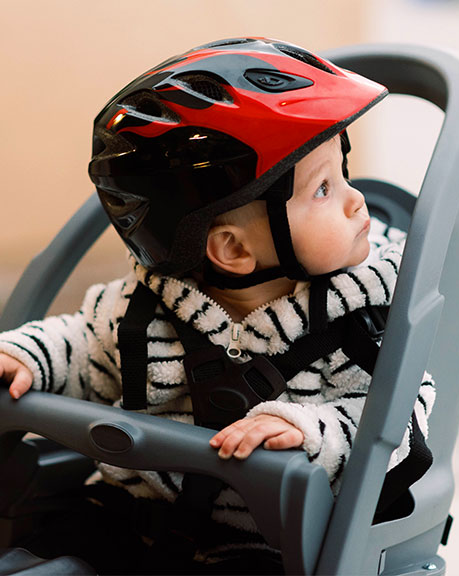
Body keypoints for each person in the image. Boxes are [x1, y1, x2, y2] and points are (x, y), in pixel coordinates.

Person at [0, 38, 435, 574]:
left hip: (269, 543)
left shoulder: (356, 316)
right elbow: (81, 343)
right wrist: (27, 357)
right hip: (132, 516)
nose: (356, 199)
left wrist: (308, 430)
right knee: (41, 551)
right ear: (233, 250)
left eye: (342, 173)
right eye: (323, 188)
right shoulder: (142, 309)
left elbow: (394, 420)